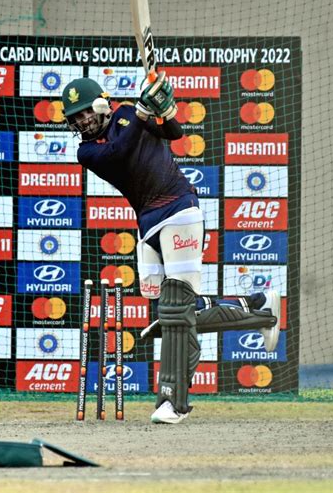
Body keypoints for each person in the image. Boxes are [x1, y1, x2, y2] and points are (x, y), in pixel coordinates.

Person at [61, 74, 281, 424]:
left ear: (103, 104)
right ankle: (259, 308)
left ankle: (172, 401)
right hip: (147, 221)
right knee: (172, 307)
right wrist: (146, 114)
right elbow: (119, 152)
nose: (81, 121)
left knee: (177, 311)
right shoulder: (86, 151)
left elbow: (174, 134)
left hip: (178, 207)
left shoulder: (127, 114)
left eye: (85, 112)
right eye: (74, 118)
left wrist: (162, 111)